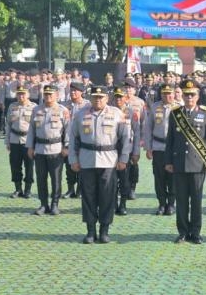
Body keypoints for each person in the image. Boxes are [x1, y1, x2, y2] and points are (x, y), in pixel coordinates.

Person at [69, 86, 131, 244]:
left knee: (107, 197)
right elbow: (73, 139)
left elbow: (125, 138)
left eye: (101, 97)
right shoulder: (80, 114)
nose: (98, 99)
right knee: (88, 197)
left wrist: (123, 159)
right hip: (87, 160)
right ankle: (90, 231)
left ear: (107, 98)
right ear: (90, 98)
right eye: (95, 97)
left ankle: (104, 230)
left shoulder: (117, 114)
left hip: (109, 160)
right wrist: (73, 160)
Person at [165, 79, 206, 244]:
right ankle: (182, 232)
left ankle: (195, 232)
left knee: (196, 200)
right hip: (179, 163)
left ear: (198, 95)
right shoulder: (175, 113)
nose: (189, 98)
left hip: (197, 164)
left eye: (192, 94)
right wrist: (168, 161)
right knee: (181, 201)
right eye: (186, 95)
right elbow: (170, 140)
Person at [26, 85, 71, 216]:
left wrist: (66, 146)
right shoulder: (36, 110)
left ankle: (55, 204)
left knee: (56, 179)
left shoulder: (63, 110)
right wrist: (30, 146)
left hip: (56, 149)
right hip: (40, 149)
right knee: (41, 179)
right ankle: (43, 204)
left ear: (56, 95)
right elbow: (31, 130)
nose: (48, 97)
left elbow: (68, 130)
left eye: (51, 94)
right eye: (46, 94)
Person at [144, 83, 179, 216]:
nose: (168, 96)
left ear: (174, 94)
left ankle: (171, 204)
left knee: (173, 178)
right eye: (165, 93)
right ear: (162, 94)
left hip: (174, 148)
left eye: (170, 93)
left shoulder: (179, 108)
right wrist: (148, 148)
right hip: (158, 147)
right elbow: (148, 129)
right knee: (159, 178)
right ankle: (161, 203)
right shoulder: (154, 107)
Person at [111, 87, 140, 216]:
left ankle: (122, 204)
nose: (118, 99)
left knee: (124, 179)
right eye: (116, 97)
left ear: (125, 98)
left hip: (126, 149)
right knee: (111, 179)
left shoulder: (131, 112)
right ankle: (112, 204)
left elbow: (137, 132)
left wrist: (136, 151)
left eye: (121, 97)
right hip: (110, 149)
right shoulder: (108, 111)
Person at [5, 86, 35, 199]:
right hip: (14, 140)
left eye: (23, 94)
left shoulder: (34, 107)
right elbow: (8, 124)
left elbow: (36, 127)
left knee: (29, 166)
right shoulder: (12, 106)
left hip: (28, 140)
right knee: (15, 165)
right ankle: (18, 189)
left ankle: (28, 190)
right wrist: (7, 141)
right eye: (19, 94)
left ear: (28, 94)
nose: (21, 96)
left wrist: (34, 143)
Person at [61, 81, 90, 199]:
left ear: (81, 92)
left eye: (75, 90)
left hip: (83, 140)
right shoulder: (64, 105)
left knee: (83, 166)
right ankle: (70, 189)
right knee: (69, 166)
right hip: (68, 140)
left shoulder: (88, 105)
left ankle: (80, 190)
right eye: (71, 90)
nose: (73, 92)